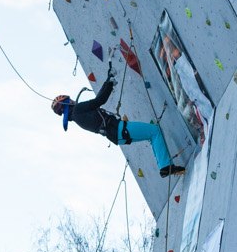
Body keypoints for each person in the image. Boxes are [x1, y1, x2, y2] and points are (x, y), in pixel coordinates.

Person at [51, 77, 185, 180]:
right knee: (154, 132)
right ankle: (165, 167)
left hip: (117, 133)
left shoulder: (76, 117)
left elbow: (96, 102)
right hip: (119, 129)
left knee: (151, 135)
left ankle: (165, 166)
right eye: (70, 99)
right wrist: (109, 84)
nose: (73, 100)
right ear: (68, 103)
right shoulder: (78, 110)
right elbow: (99, 101)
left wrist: (107, 82)